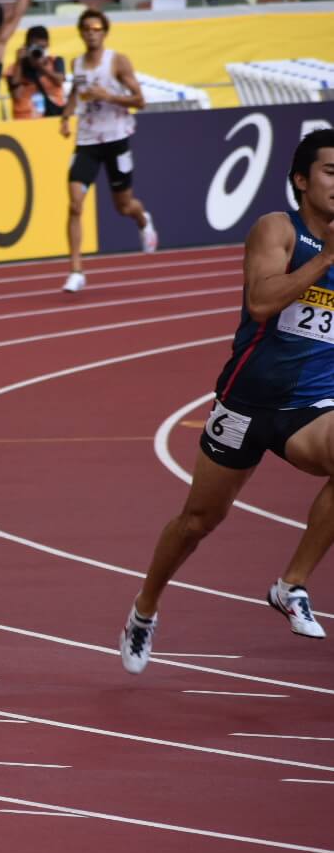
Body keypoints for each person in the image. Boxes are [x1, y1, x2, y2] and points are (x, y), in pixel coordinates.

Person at [120, 129, 334, 674]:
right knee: (197, 521)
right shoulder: (278, 231)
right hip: (243, 406)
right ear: (302, 181)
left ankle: (291, 584)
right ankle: (145, 608)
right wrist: (326, 259)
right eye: (332, 172)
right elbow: (262, 302)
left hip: (307, 410)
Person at [58, 8, 157, 293]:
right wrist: (65, 117)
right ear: (80, 32)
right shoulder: (76, 64)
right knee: (75, 203)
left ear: (104, 32)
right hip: (87, 140)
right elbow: (74, 97)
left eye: (97, 28)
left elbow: (140, 101)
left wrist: (109, 96)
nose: (91, 32)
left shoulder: (118, 62)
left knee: (123, 206)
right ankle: (76, 270)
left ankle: (142, 219)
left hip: (116, 139)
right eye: (87, 28)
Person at [5, 24, 67, 120]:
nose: (39, 51)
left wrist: (41, 67)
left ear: (48, 45)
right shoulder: (14, 68)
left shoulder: (55, 61)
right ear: (26, 47)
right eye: (35, 48)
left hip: (53, 117)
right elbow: (16, 95)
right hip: (25, 120)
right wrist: (19, 63)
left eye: (42, 48)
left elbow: (59, 81)